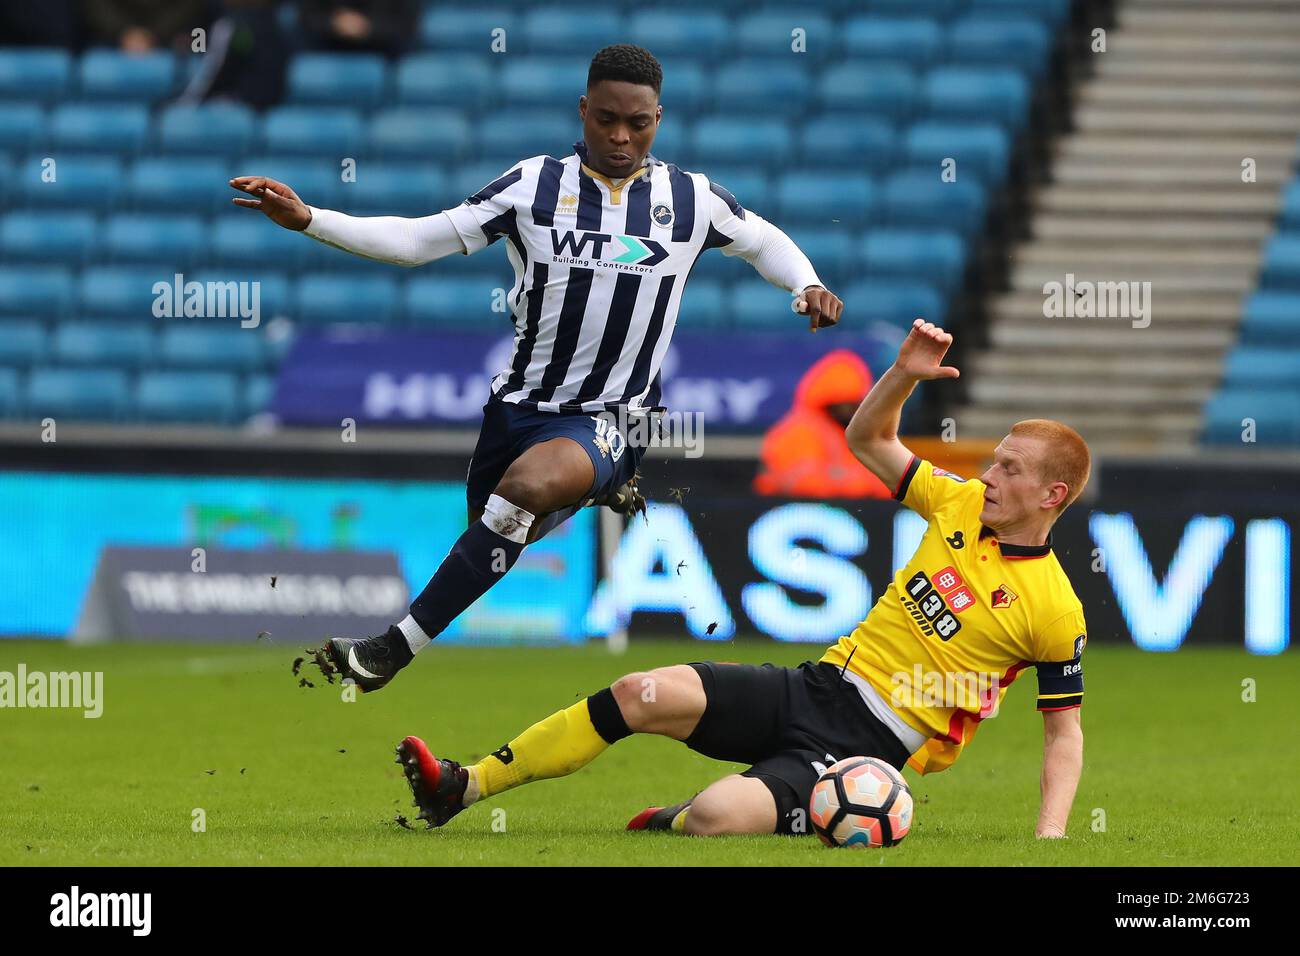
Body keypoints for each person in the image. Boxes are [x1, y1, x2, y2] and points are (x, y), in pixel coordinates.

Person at [229, 44, 844, 690]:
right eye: (606, 118)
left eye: (638, 123)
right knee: (498, 529)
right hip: (519, 411)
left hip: (616, 416)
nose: (620, 136)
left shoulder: (689, 200)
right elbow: (419, 241)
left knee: (528, 490)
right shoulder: (533, 187)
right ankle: (592, 490)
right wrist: (309, 220)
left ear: (659, 119)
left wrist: (804, 284)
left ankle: (392, 649)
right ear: (583, 111)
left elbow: (763, 240)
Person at [394, 320, 1090, 839]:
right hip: (814, 685)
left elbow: (1064, 733)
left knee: (715, 818)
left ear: (1052, 495)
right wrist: (903, 375)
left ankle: (682, 818)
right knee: (640, 692)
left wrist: (1051, 838)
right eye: (993, 461)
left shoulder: (1055, 610)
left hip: (868, 748)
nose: (989, 476)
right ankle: (463, 785)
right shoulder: (959, 503)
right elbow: (869, 442)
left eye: (1009, 469)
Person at [754, 348, 892, 499]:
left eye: (855, 404)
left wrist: (845, 478)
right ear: (828, 403)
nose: (851, 411)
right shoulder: (799, 430)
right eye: (843, 404)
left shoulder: (861, 432)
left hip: (847, 514)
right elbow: (804, 484)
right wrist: (856, 481)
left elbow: (890, 484)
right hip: (795, 514)